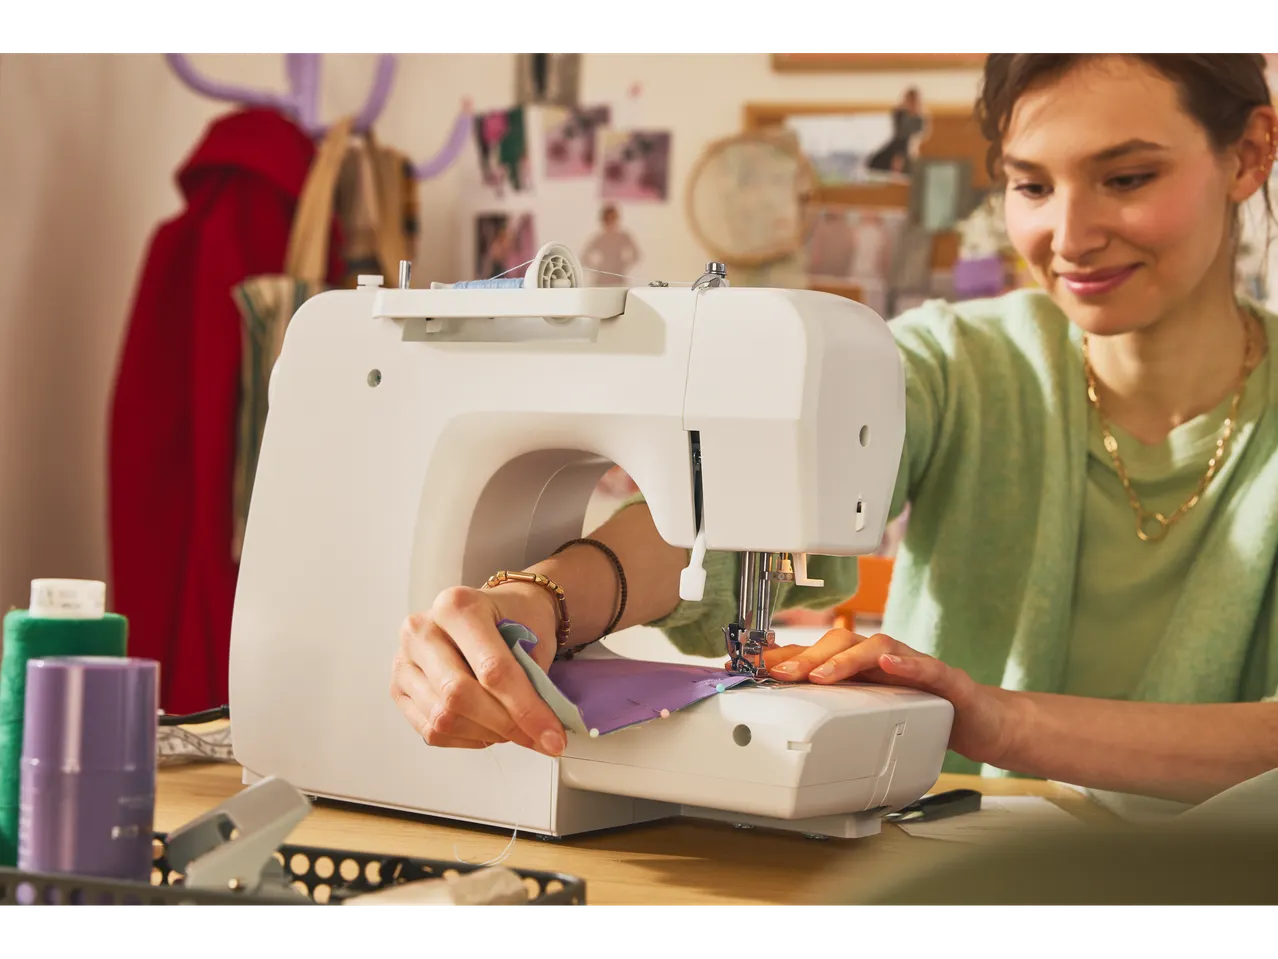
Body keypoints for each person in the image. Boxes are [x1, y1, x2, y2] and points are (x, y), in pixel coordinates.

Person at [391, 52, 1278, 810]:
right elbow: (730, 512)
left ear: (1249, 154)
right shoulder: (957, 363)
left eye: (1126, 178)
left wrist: (988, 717)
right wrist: (533, 604)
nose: (1068, 234)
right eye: (1031, 185)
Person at [867, 88, 926, 177]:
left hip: (908, 148)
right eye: (908, 100)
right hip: (897, 145)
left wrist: (903, 155)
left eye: (912, 101)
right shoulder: (899, 114)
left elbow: (914, 136)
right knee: (875, 163)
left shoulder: (919, 118)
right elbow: (899, 133)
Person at [580, 205, 640, 285]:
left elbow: (636, 254)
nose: (610, 223)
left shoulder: (623, 237)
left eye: (613, 219)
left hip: (618, 277)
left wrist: (625, 264)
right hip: (602, 279)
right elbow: (584, 257)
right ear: (604, 221)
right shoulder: (600, 238)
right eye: (608, 220)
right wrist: (596, 267)